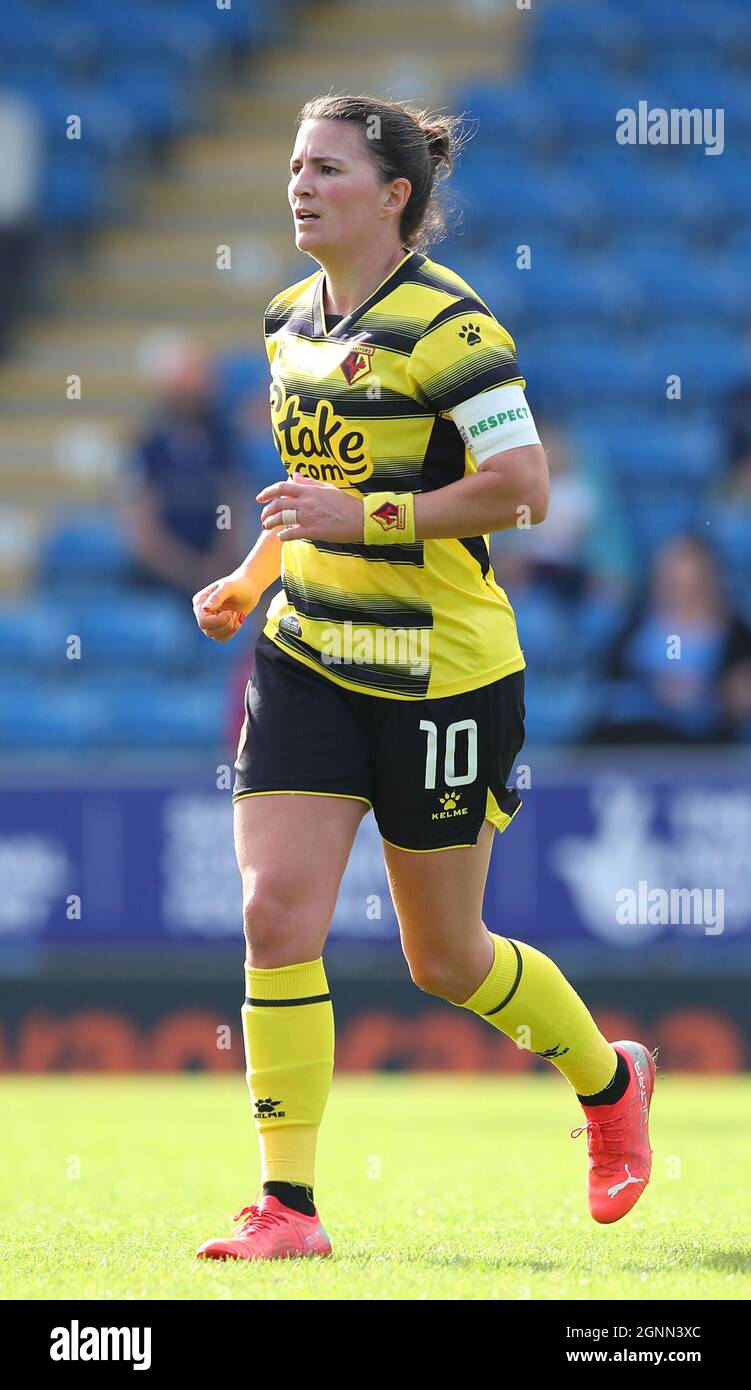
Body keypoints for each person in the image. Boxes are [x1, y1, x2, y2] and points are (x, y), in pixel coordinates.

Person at [190, 95, 657, 1262]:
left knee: (444, 958)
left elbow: (523, 488)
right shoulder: (285, 320)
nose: (300, 185)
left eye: (328, 169)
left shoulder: (455, 330)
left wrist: (363, 516)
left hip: (440, 674)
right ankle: (287, 1209)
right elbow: (313, 483)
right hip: (309, 655)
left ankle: (609, 1083)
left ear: (394, 194)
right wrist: (257, 571)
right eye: (295, 165)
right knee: (271, 912)